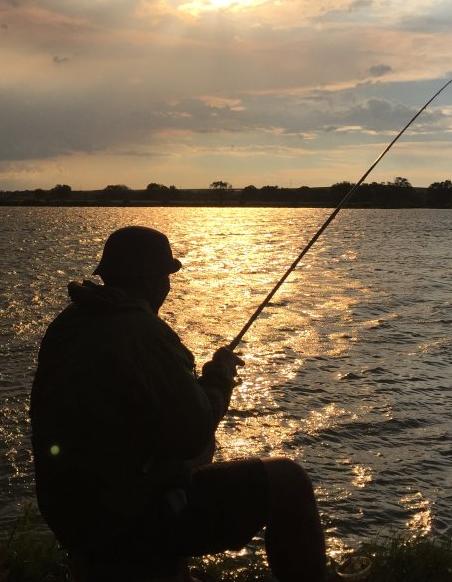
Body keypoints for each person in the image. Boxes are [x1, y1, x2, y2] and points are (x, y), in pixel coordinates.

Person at [30, 226, 327, 582]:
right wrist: (219, 380)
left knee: (182, 461)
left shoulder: (68, 324)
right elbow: (194, 432)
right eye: (166, 276)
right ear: (153, 281)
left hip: (72, 515)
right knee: (288, 481)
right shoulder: (139, 331)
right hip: (122, 521)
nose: (167, 287)